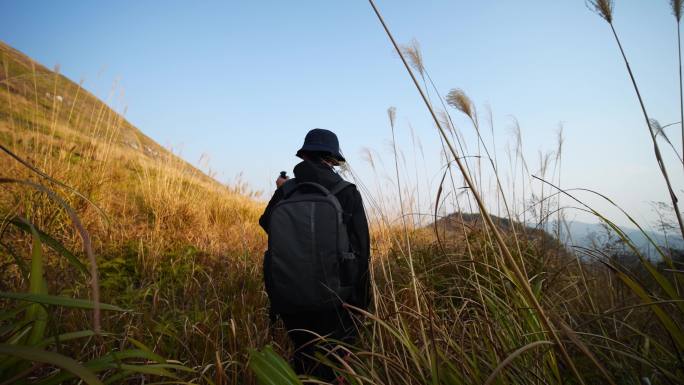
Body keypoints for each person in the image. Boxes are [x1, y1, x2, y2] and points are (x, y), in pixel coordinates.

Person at [259, 128, 370, 380]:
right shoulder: (346, 192)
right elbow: (362, 252)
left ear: (305, 156)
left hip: (289, 297)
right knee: (332, 363)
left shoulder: (286, 191)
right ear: (332, 159)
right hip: (335, 299)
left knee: (303, 354)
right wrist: (362, 305)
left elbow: (267, 223)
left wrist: (283, 190)